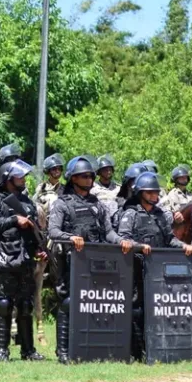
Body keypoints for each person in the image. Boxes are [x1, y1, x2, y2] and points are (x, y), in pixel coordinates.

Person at [48, 156, 128, 364]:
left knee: (97, 303)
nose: (89, 179)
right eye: (84, 176)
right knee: (67, 303)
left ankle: (94, 347)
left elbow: (108, 232)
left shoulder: (97, 204)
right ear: (73, 179)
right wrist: (71, 238)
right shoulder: (61, 204)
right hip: (70, 261)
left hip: (96, 263)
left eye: (91, 175)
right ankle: (63, 351)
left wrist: (122, 241)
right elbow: (53, 231)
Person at [117, 172, 192, 361]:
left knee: (159, 308)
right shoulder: (131, 213)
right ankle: (137, 352)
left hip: (157, 272)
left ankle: (159, 348)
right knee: (137, 309)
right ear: (140, 193)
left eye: (156, 192)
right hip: (136, 268)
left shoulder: (160, 215)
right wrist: (139, 247)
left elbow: (169, 239)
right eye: (150, 192)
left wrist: (184, 246)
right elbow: (124, 239)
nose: (155, 195)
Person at [0, 159, 46, 362]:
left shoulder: (27, 202)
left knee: (26, 304)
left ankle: (28, 350)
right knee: (4, 304)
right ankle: (1, 351)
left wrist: (40, 249)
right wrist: (13, 219)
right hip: (5, 258)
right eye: (19, 176)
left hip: (26, 259)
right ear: (8, 179)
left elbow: (36, 230)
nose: (23, 179)